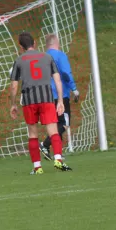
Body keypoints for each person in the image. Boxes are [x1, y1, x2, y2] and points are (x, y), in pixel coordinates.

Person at [9, 32, 72, 174]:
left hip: (29, 101)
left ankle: (37, 167)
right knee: (53, 130)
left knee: (33, 134)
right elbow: (57, 79)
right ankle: (58, 160)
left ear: (20, 46)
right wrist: (60, 100)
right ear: (35, 43)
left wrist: (13, 104)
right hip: (47, 99)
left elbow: (14, 85)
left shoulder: (19, 60)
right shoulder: (47, 57)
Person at [39, 33, 80, 161]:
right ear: (56, 42)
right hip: (60, 94)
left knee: (55, 123)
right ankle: (45, 144)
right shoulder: (60, 55)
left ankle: (58, 153)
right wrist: (74, 89)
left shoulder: (42, 57)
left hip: (46, 95)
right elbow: (66, 73)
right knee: (64, 123)